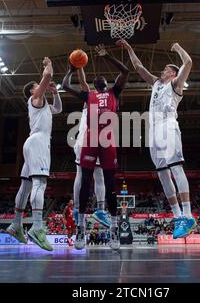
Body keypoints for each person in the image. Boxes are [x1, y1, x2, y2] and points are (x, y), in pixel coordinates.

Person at [117, 39, 195, 239]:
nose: (162, 71)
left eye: (165, 70)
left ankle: (187, 214)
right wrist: (130, 48)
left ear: (172, 73)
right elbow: (138, 67)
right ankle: (177, 216)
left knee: (176, 167)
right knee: (162, 173)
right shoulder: (156, 83)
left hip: (168, 125)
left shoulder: (176, 85)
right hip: (153, 131)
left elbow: (188, 63)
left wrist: (177, 47)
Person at [62, 44, 129, 250]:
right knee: (84, 183)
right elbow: (65, 86)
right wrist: (72, 69)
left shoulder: (113, 93)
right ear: (94, 84)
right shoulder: (88, 96)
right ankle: (81, 228)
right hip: (90, 141)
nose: (99, 78)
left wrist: (107, 55)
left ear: (106, 83)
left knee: (110, 185)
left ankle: (114, 231)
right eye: (96, 79)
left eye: (103, 78)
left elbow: (125, 71)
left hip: (107, 141)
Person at [6, 57, 62, 251]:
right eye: (38, 86)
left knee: (26, 185)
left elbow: (59, 108)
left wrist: (55, 93)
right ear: (32, 90)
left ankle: (16, 224)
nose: (41, 86)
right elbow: (48, 75)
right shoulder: (35, 98)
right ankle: (37, 228)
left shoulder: (43, 104)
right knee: (40, 183)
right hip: (38, 142)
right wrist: (47, 63)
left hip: (32, 142)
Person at [73, 68, 111, 228]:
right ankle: (99, 210)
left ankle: (77, 210)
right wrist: (81, 67)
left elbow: (83, 83)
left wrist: (80, 67)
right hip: (89, 140)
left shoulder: (97, 97)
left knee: (82, 174)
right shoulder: (95, 97)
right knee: (97, 176)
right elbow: (83, 82)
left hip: (88, 140)